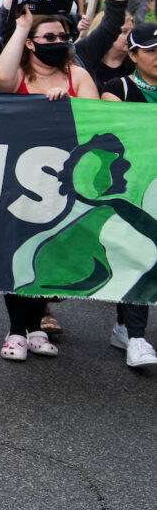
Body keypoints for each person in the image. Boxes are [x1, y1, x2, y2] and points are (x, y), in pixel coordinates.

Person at [0, 8, 97, 360]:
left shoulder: (76, 75)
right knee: (17, 253)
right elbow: (2, 80)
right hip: (18, 179)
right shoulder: (18, 72)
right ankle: (15, 331)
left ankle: (35, 326)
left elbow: (98, 121)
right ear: (31, 43)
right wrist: (21, 27)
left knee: (46, 253)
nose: (57, 42)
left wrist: (71, 106)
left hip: (63, 183)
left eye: (63, 37)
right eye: (48, 37)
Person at [95, 22, 157, 369]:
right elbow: (114, 135)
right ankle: (136, 337)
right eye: (150, 50)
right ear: (132, 55)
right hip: (135, 190)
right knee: (139, 255)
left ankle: (123, 326)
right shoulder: (115, 87)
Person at [76, 0, 132, 92]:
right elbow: (112, 23)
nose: (130, 37)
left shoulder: (136, 62)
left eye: (131, 31)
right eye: (123, 32)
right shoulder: (86, 58)